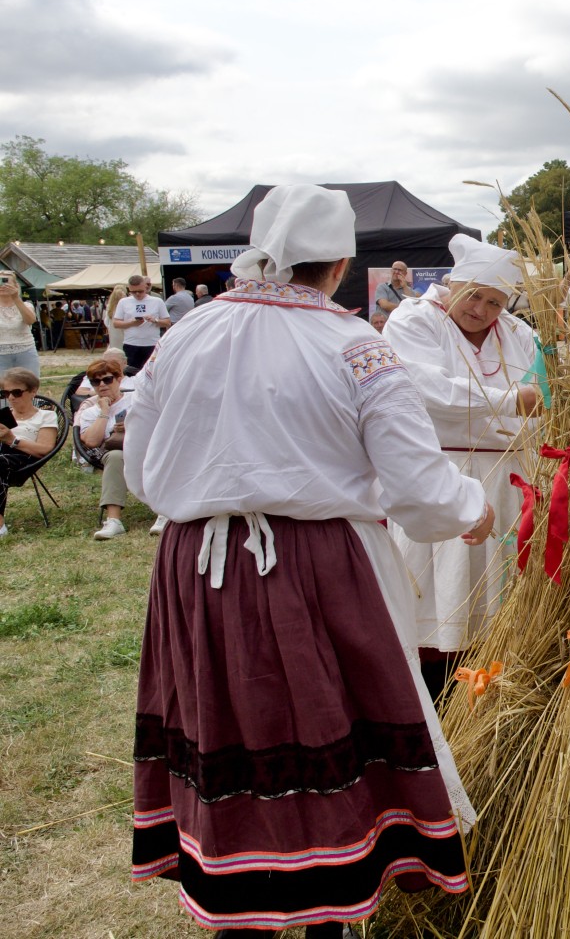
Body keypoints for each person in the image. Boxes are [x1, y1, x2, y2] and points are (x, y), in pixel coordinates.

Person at [123, 185, 496, 937]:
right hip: (315, 565)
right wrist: (471, 509)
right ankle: (331, 908)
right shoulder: (356, 346)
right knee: (331, 725)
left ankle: (239, 902)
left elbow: (139, 468)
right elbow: (418, 487)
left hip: (195, 564)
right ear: (340, 265)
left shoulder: (185, 335)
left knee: (226, 724)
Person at [383, 233, 541, 690]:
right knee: (440, 591)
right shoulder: (414, 319)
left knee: (500, 602)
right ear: (453, 284)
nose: (481, 310)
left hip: (510, 478)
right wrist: (512, 401)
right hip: (442, 473)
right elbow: (426, 389)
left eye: (495, 302)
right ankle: (434, 691)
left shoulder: (518, 333)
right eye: (474, 296)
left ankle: (491, 687)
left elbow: (547, 394)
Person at [75, 354, 134, 540]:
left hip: (142, 447)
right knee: (116, 456)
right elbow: (91, 442)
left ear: (119, 379)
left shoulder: (136, 400)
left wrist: (132, 426)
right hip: (112, 454)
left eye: (107, 379)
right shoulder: (89, 411)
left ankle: (163, 515)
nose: (102, 385)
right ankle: (113, 520)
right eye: (95, 382)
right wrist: (104, 412)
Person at [0, 367, 59, 537]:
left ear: (33, 391)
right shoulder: (3, 416)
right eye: (6, 393)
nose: (11, 397)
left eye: (17, 392)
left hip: (24, 458)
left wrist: (12, 440)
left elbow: (44, 449)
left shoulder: (45, 416)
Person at [111, 275, 170, 369]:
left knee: (152, 370)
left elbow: (167, 322)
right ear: (129, 289)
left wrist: (155, 320)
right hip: (131, 344)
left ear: (146, 287)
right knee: (131, 371)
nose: (137, 294)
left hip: (152, 343)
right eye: (133, 292)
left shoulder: (157, 301)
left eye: (140, 291)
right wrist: (132, 323)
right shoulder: (123, 302)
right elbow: (116, 323)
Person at [0, 271, 40, 375]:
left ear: (16, 286)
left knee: (29, 381)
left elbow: (30, 320)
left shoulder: (26, 305)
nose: (2, 285)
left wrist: (16, 297)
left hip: (26, 350)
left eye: (5, 281)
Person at [103, 284, 127, 348]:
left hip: (113, 332)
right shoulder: (124, 306)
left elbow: (106, 322)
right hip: (123, 331)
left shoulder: (110, 306)